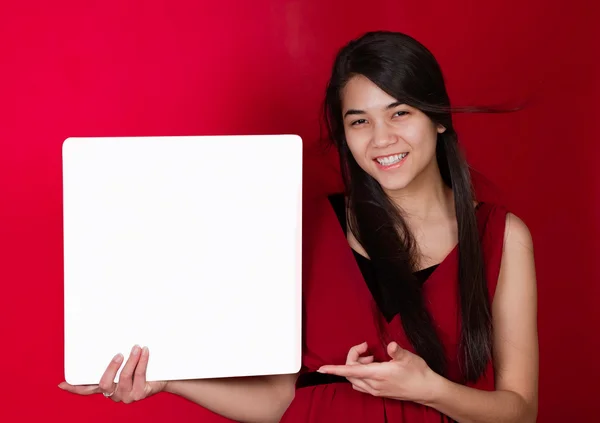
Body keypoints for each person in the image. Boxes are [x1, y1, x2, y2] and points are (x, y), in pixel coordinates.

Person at [59, 31, 539, 423]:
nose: (381, 138)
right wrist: (168, 380)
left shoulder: (501, 236)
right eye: (359, 121)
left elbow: (519, 411)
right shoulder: (303, 229)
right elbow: (279, 400)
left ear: (437, 118)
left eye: (400, 112)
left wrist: (431, 390)